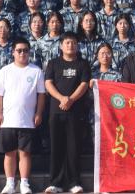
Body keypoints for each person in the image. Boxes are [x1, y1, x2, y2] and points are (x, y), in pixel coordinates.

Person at [0, 39, 46, 194]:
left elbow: (41, 95)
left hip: (27, 120)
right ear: (13, 52)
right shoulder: (4, 71)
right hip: (8, 120)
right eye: (19, 50)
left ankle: (24, 183)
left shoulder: (36, 71)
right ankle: (10, 183)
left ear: (29, 52)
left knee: (25, 153)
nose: (22, 53)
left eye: (25, 50)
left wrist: (39, 113)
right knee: (9, 153)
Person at [44, 32, 91, 194]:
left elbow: (84, 84)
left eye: (73, 43)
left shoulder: (82, 64)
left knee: (73, 148)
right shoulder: (53, 63)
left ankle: (74, 183)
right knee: (56, 147)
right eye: (67, 43)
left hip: (75, 112)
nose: (70, 45)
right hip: (56, 111)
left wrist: (71, 99)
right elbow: (48, 83)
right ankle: (55, 183)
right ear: (61, 46)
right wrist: (62, 98)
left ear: (77, 46)